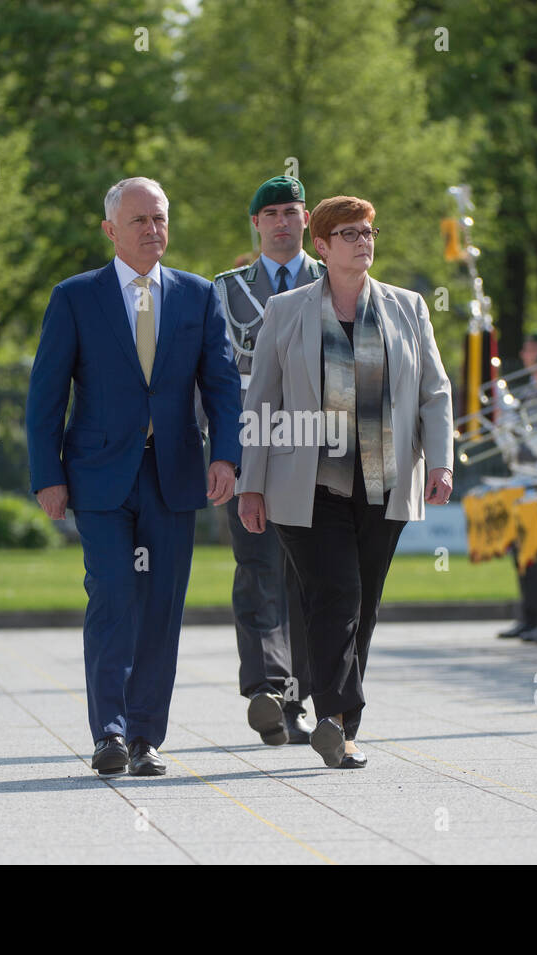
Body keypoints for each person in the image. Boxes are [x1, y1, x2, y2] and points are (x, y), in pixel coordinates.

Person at [25, 177, 242, 777]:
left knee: (162, 606)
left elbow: (222, 385)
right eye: (140, 220)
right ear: (110, 230)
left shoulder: (198, 296)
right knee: (114, 595)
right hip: (97, 477)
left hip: (174, 475)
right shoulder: (75, 297)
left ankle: (146, 737)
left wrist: (226, 457)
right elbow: (46, 395)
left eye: (160, 219)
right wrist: (48, 474)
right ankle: (110, 734)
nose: (153, 230)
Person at [236, 195, 454, 769]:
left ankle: (339, 724)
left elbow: (435, 390)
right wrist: (250, 486)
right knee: (339, 593)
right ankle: (336, 716)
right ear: (322, 246)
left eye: (369, 231)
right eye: (351, 233)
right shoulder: (286, 311)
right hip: (306, 484)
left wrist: (441, 462)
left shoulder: (407, 308)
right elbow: (260, 402)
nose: (364, 241)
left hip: (385, 481)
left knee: (366, 601)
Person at [215, 176, 322, 746]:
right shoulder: (225, 290)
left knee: (307, 576)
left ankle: (298, 698)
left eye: (291, 212)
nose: (282, 222)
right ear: (255, 223)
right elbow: (210, 377)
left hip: (316, 451)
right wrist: (217, 453)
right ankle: (266, 688)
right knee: (257, 567)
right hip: (248, 447)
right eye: (271, 213)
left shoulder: (332, 282)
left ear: (306, 220)